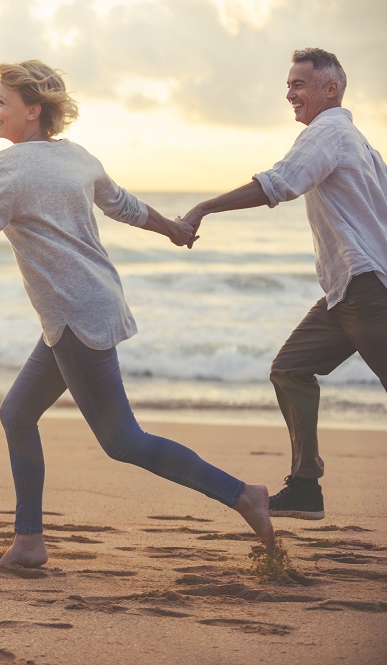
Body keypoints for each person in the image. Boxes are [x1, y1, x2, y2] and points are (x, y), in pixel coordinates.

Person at [0, 60, 276, 567]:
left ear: (33, 111)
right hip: (86, 308)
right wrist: (172, 229)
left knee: (123, 440)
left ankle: (243, 494)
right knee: (17, 414)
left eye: (0, 101)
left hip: (75, 316)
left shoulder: (8, 168)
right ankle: (29, 541)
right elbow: (123, 205)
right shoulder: (77, 157)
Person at [181, 48, 387, 521]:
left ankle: (304, 484)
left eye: (299, 84)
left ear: (329, 90)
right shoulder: (356, 141)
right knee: (290, 368)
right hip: (347, 291)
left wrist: (202, 208)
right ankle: (305, 486)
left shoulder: (329, 132)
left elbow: (279, 184)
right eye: (289, 85)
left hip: (367, 289)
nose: (289, 93)